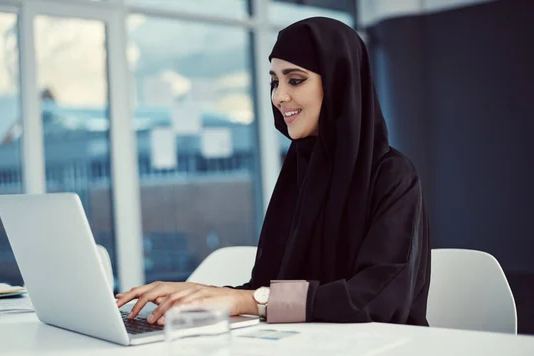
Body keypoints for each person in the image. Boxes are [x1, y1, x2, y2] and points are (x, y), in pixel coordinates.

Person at [116, 17, 431, 326]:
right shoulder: (301, 170)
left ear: (338, 82)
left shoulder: (393, 175)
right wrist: (196, 294)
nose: (278, 96)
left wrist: (247, 301)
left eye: (294, 79)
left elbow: (377, 298)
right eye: (274, 81)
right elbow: (269, 291)